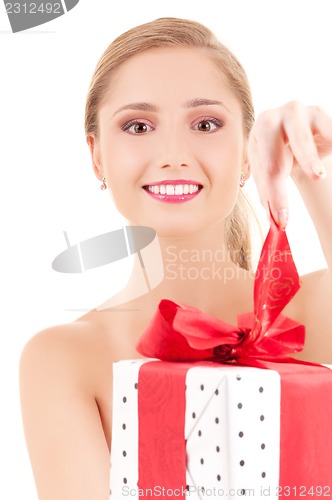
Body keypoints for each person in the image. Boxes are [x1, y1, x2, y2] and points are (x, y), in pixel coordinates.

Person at [19, 17, 332, 500]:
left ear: (248, 151)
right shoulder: (64, 358)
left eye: (206, 124)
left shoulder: (311, 311)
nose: (172, 154)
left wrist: (317, 171)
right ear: (97, 156)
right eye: (138, 126)